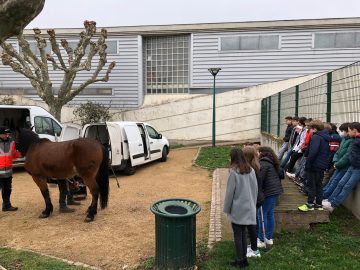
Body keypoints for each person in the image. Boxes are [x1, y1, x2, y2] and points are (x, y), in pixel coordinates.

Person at [224, 148, 258, 268]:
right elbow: (255, 190)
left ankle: (240, 260)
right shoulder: (252, 170)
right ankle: (243, 259)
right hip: (249, 207)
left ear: (233, 158)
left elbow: (229, 194)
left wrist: (226, 209)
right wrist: (253, 204)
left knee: (238, 235)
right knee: (243, 233)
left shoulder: (233, 172)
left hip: (238, 209)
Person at [323, 122, 360, 212]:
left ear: (354, 130)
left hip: (357, 168)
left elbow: (348, 155)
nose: (347, 132)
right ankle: (329, 200)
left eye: (348, 131)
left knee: (347, 186)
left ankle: (333, 204)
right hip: (352, 166)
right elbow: (340, 151)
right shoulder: (355, 138)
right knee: (340, 183)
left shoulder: (354, 140)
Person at [298, 120, 331, 212]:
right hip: (321, 165)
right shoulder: (325, 137)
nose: (309, 131)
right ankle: (319, 204)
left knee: (311, 185)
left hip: (314, 165)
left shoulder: (316, 137)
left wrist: (308, 164)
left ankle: (310, 204)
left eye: (310, 129)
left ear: (315, 129)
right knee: (319, 185)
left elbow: (313, 152)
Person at [256, 146, 283, 248]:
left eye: (258, 152)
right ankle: (269, 237)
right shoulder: (273, 162)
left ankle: (262, 239)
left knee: (261, 214)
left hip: (269, 192)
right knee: (269, 214)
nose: (257, 154)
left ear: (262, 153)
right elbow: (281, 174)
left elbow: (260, 179)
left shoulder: (263, 163)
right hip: (275, 191)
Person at [322, 122, 352, 201]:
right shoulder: (344, 139)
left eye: (343, 131)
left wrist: (338, 164)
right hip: (337, 163)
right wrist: (335, 161)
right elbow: (337, 151)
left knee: (336, 181)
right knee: (332, 180)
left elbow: (347, 156)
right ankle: (323, 193)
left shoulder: (351, 141)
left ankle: (326, 196)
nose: (342, 133)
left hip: (344, 166)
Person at [242, 145, 261, 258]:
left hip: (250, 200)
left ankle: (253, 250)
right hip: (255, 199)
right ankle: (253, 248)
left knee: (248, 226)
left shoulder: (249, 169)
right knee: (251, 225)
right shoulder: (256, 166)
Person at [0, 126, 21, 211]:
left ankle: (6, 205)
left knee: (7, 190)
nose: (7, 135)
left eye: (8, 134)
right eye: (5, 134)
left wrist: (19, 153)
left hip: (8, 172)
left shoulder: (12, 143)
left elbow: (14, 154)